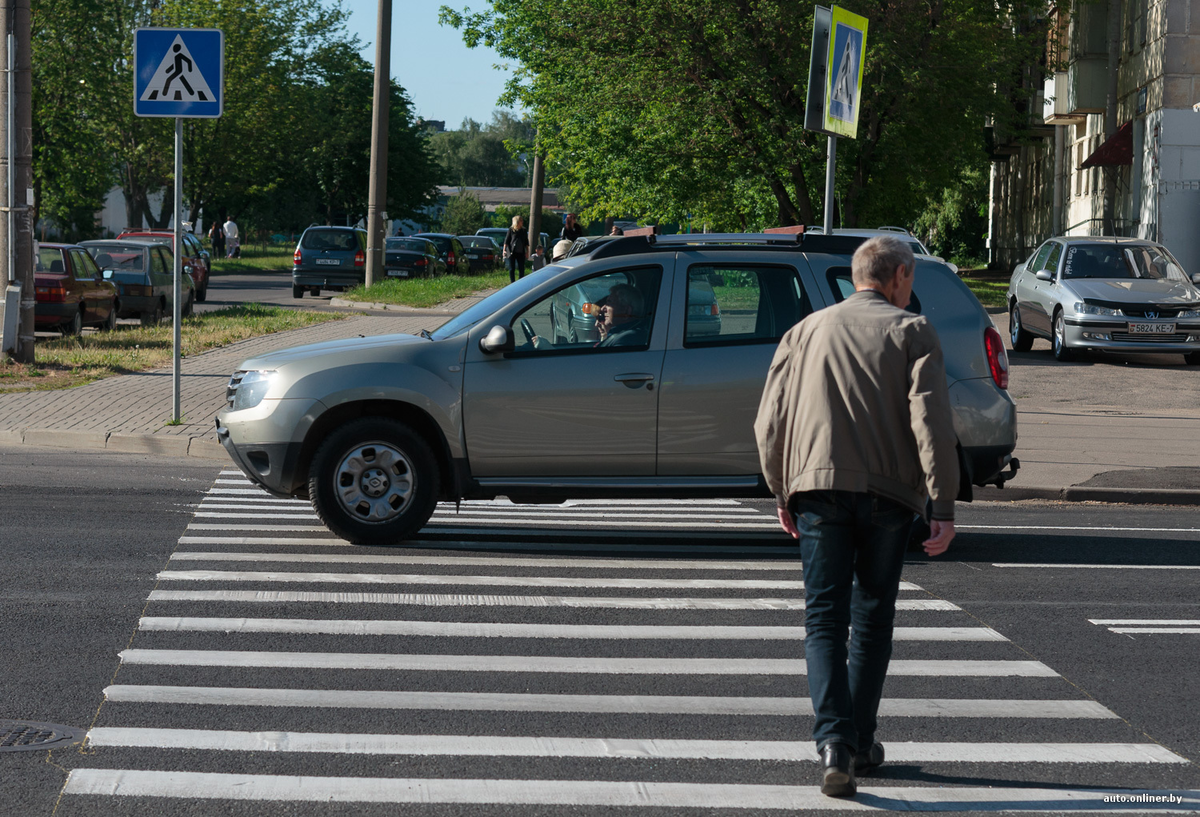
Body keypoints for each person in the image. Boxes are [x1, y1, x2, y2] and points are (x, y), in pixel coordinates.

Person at [753, 235, 959, 798]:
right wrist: (943, 505)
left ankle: (834, 744)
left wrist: (781, 491)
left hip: (817, 491)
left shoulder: (804, 331)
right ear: (898, 276)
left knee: (823, 619)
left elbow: (768, 423)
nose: (909, 290)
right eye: (910, 280)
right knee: (871, 619)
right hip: (890, 496)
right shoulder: (913, 332)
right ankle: (861, 742)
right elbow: (932, 425)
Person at [595, 283, 650, 347]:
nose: (602, 308)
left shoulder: (626, 339)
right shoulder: (619, 335)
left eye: (609, 302)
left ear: (626, 311)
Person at [503, 215, 528, 283]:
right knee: (512, 268)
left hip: (521, 252)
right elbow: (506, 241)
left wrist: (527, 252)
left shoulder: (524, 230)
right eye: (521, 220)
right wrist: (504, 250)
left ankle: (520, 282)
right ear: (517, 221)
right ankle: (512, 282)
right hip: (512, 252)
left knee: (521, 269)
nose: (522, 222)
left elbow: (526, 242)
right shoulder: (511, 230)